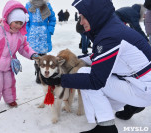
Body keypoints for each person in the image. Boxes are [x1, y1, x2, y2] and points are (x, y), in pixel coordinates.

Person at [53, 0, 151, 132]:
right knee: (95, 85)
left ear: (95, 14)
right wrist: (73, 59)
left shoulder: (110, 36)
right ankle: (130, 104)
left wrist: (59, 80)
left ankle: (106, 127)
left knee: (85, 74)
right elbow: (98, 58)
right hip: (139, 81)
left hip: (142, 88)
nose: (81, 22)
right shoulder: (112, 28)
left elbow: (95, 80)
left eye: (83, 17)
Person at [0, 0, 38, 111]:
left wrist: (32, 54)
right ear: (9, 19)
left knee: (9, 83)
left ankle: (10, 99)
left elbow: (24, 47)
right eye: (16, 22)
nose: (18, 26)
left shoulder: (20, 36)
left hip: (9, 65)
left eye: (21, 23)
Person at [25, 0, 56, 84]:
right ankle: (38, 74)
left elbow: (52, 19)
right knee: (35, 56)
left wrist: (49, 30)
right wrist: (28, 31)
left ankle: (43, 75)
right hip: (33, 34)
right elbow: (26, 21)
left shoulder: (47, 5)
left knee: (43, 56)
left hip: (44, 34)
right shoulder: (28, 5)